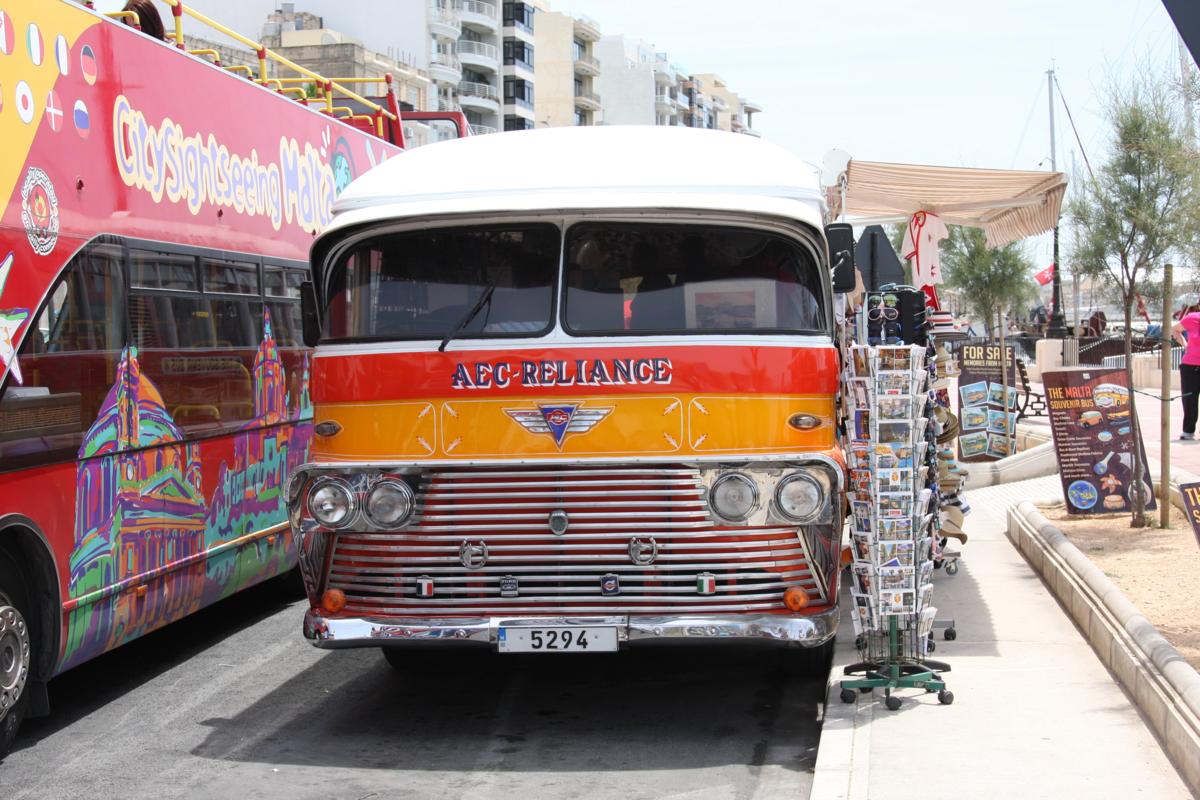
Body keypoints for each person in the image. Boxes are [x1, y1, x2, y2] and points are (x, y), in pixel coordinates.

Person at [1171, 299, 1200, 440]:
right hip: (1190, 366)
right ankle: (1188, 431)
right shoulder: (1192, 318)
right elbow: (1174, 330)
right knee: (1190, 399)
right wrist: (1185, 344)